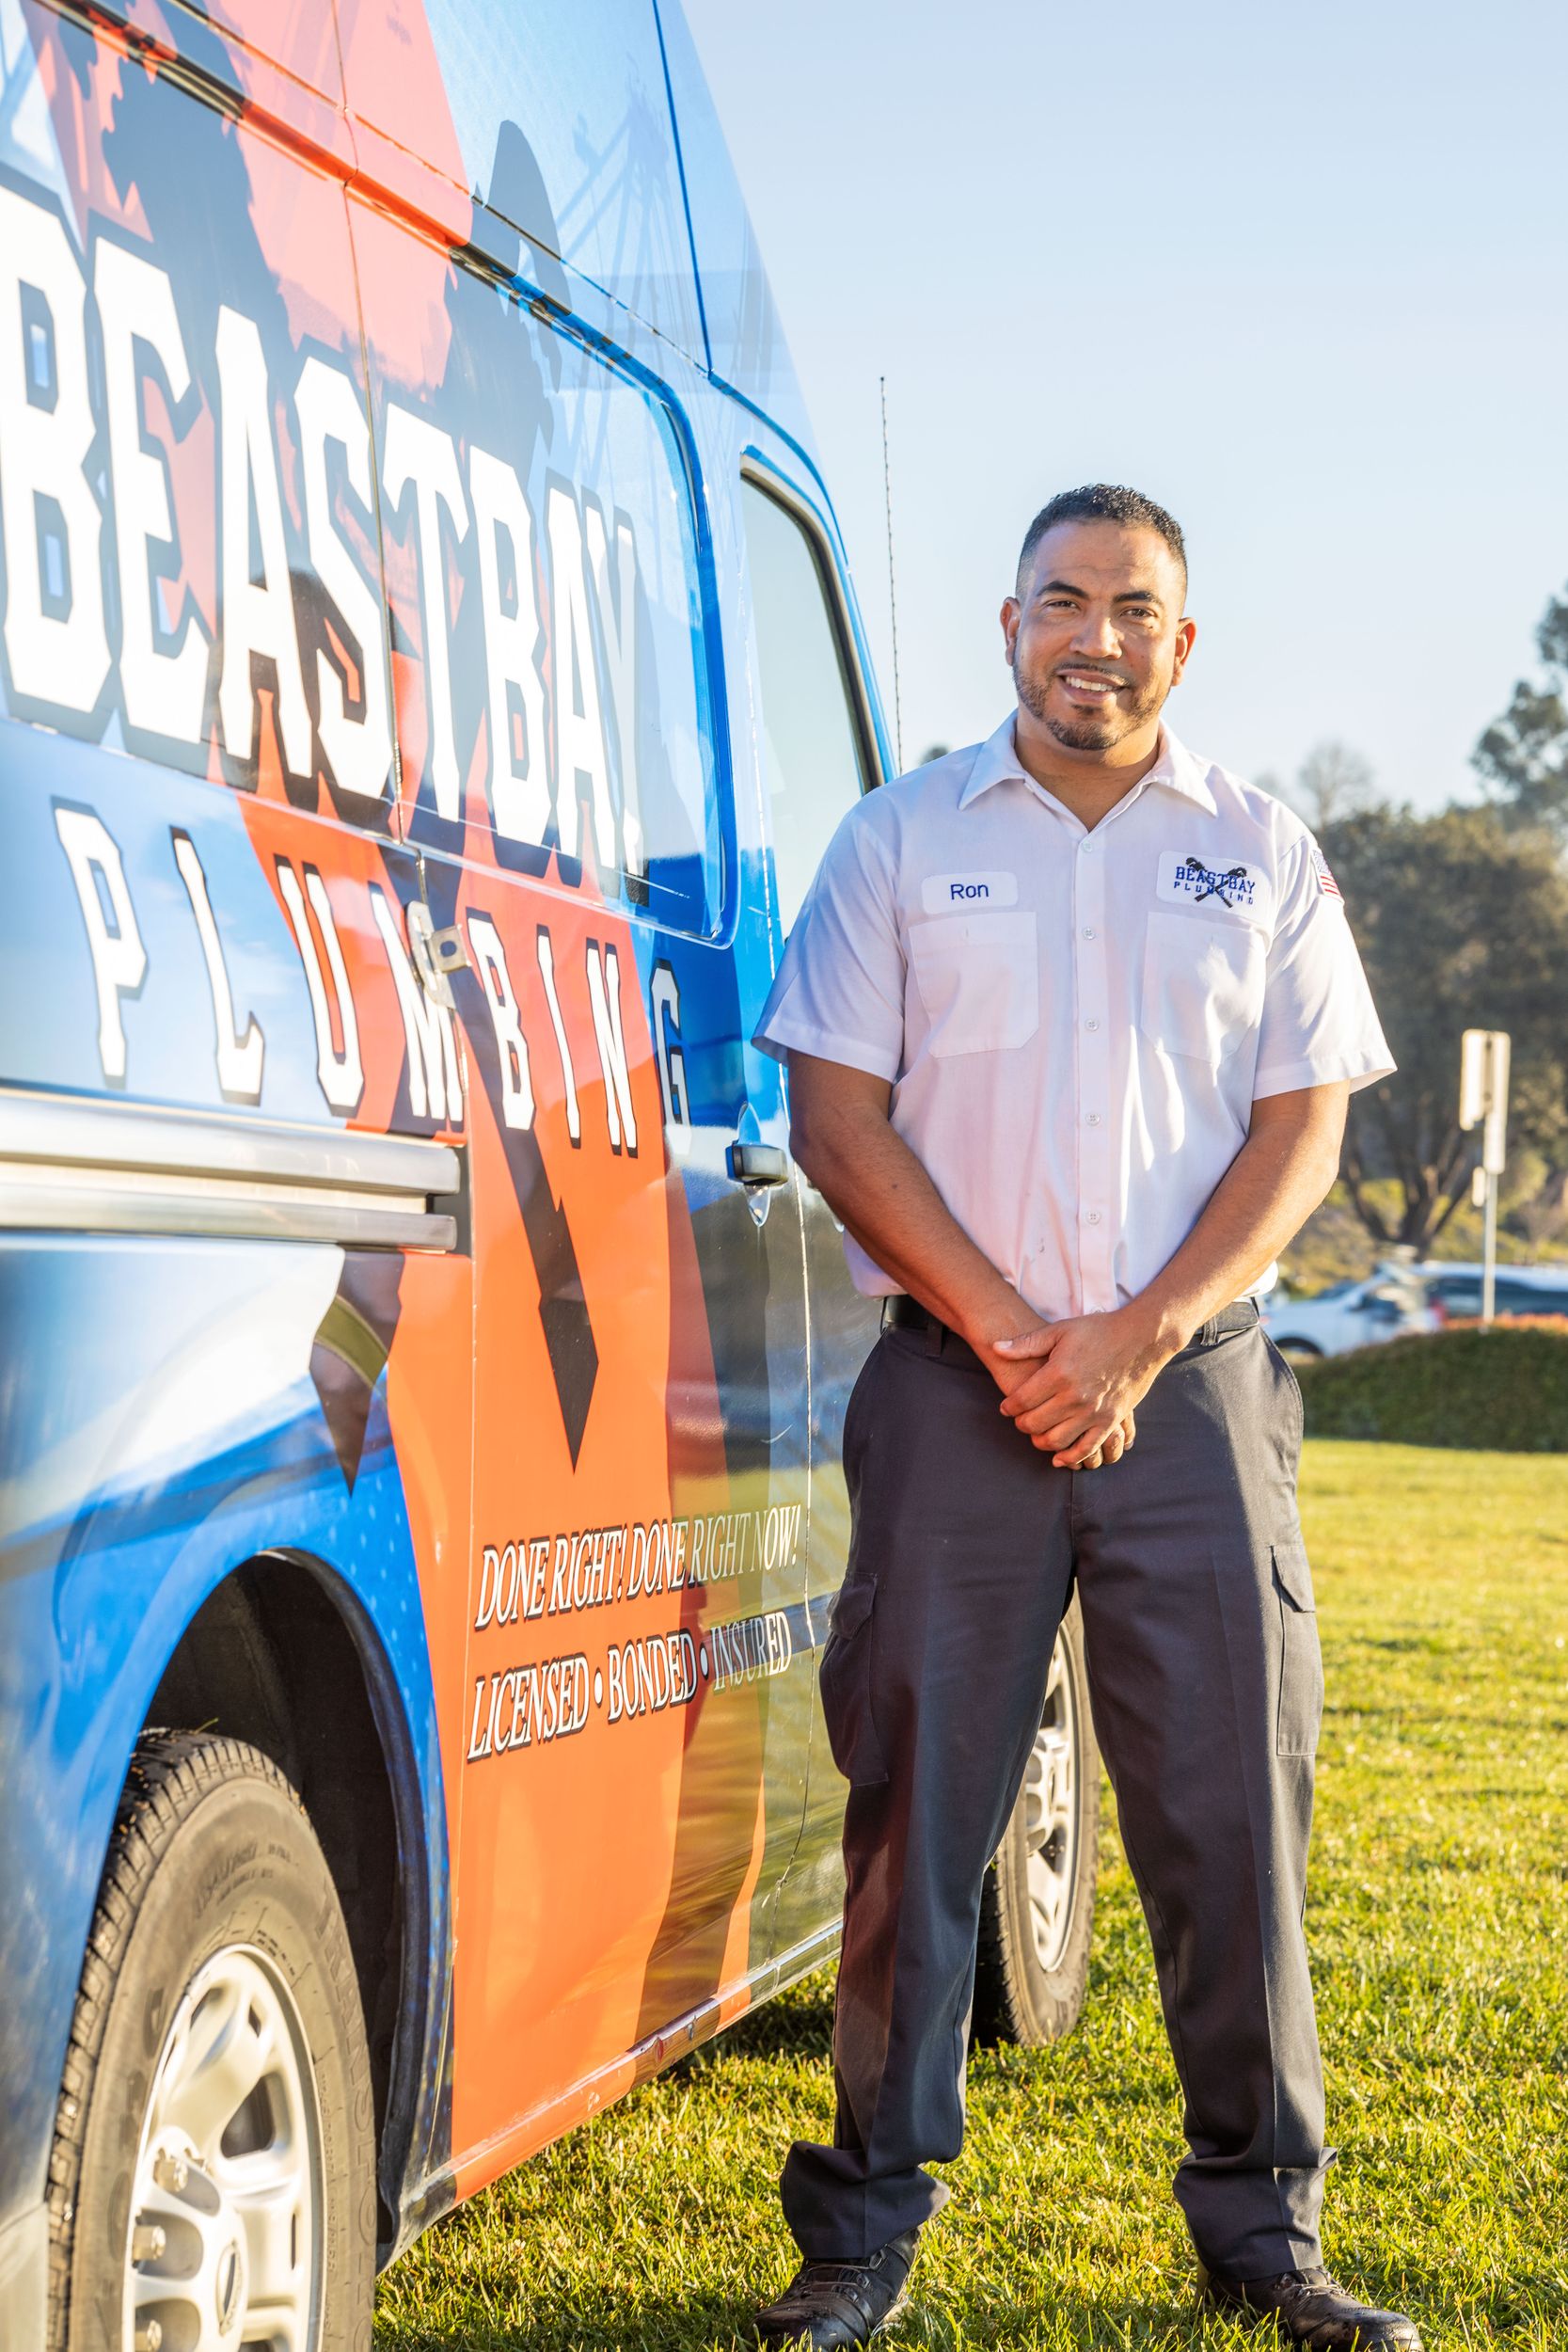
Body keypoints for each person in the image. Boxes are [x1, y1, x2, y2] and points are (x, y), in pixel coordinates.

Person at [750, 485, 1420, 2351]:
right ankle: (861, 2231)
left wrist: (1133, 1336)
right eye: (1063, 599)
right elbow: (835, 1113)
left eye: (1133, 605)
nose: (1095, 634)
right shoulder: (899, 839)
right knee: (917, 1813)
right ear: (1009, 621)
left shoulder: (1258, 849)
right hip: (957, 1395)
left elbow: (1305, 1129)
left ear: (1180, 642)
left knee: (1232, 1816)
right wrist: (1025, 1335)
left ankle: (1265, 2235)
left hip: (1194, 1396)